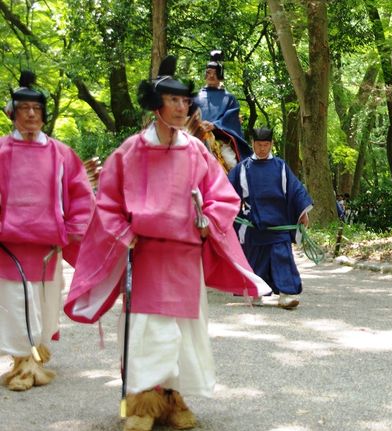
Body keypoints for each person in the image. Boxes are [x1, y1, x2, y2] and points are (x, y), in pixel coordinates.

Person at [64, 56, 270, 431]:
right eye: (173, 100)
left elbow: (221, 197)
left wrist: (209, 220)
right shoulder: (129, 152)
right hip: (145, 255)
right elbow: (107, 204)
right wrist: (125, 234)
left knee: (183, 334)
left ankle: (174, 400)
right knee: (146, 330)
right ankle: (141, 404)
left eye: (184, 100)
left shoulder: (196, 152)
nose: (181, 107)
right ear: (156, 105)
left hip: (185, 256)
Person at [0, 71, 94, 391]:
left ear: (43, 114)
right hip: (9, 246)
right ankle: (23, 365)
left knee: (44, 305)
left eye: (36, 109)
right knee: (15, 302)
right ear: (12, 113)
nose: (30, 114)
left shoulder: (61, 154)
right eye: (24, 108)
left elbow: (82, 196)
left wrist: (71, 230)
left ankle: (35, 351)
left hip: (49, 246)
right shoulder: (0, 152)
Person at [228, 127, 313, 309]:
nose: (262, 149)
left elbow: (295, 191)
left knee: (282, 258)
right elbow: (227, 191)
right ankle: (256, 293)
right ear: (253, 144)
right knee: (255, 262)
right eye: (259, 145)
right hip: (253, 224)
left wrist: (303, 212)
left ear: (272, 144)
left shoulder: (280, 166)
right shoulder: (243, 168)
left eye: (266, 145)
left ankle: (286, 295)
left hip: (278, 223)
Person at [192, 49, 252, 171]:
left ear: (220, 75)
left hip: (220, 141)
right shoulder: (195, 97)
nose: (211, 76)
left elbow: (232, 119)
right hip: (196, 139)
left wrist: (215, 125)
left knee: (232, 163)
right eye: (209, 73)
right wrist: (198, 125)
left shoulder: (229, 98)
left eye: (215, 73)